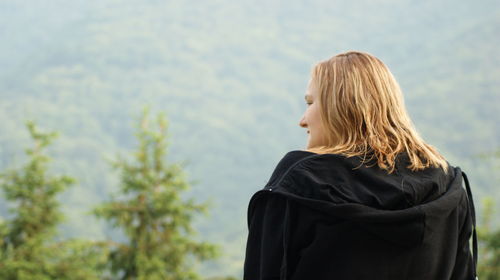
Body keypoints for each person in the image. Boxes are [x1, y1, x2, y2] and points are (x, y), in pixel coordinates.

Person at [243, 51, 478, 280]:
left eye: (310, 102)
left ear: (340, 108)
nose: (302, 120)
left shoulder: (300, 183)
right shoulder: (447, 186)